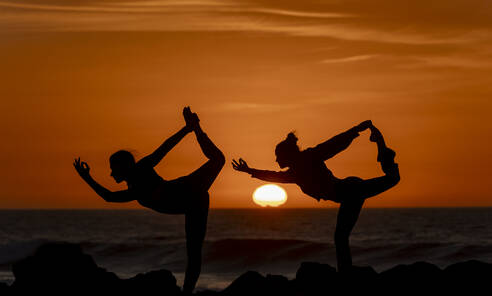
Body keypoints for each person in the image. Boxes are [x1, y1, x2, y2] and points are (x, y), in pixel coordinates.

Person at [73, 107, 225, 293]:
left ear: (125, 167)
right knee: (193, 252)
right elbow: (109, 196)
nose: (111, 173)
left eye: (113, 168)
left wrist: (186, 130)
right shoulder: (135, 190)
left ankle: (196, 128)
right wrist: (86, 177)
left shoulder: (142, 170)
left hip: (186, 189)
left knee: (218, 159)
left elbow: (164, 148)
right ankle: (187, 292)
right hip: (193, 202)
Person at [232, 120, 400, 272]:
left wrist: (356, 130)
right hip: (349, 192)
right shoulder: (294, 173)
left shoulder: (310, 157)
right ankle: (345, 272)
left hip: (351, 190)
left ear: (287, 155)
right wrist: (249, 170)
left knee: (341, 235)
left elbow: (334, 144)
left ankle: (345, 274)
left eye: (278, 156)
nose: (276, 160)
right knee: (341, 236)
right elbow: (273, 176)